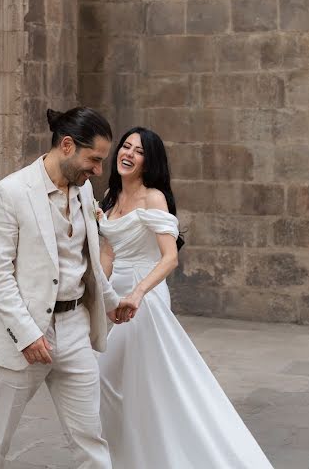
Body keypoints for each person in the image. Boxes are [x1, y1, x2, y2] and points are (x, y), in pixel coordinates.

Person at [97, 127, 274, 469]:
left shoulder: (154, 198)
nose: (128, 153)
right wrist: (97, 296)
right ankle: (126, 455)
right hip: (113, 295)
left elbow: (169, 258)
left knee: (118, 378)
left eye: (139, 150)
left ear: (150, 161)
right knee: (118, 381)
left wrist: (137, 293)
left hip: (143, 296)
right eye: (125, 146)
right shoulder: (109, 195)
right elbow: (107, 254)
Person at [0, 107, 137, 469]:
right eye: (93, 159)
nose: (98, 170)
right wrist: (29, 336)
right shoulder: (10, 192)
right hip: (27, 334)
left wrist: (111, 302)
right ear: (66, 145)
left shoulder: (84, 188)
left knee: (89, 435)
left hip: (76, 327)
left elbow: (88, 260)